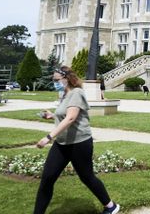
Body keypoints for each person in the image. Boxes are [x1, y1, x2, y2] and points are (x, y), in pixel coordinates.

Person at [34, 66, 120, 214]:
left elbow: (71, 118)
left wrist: (48, 137)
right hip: (62, 143)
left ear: (66, 79)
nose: (54, 83)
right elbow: (65, 116)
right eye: (53, 80)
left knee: (87, 177)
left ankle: (111, 206)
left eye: (56, 80)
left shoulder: (76, 93)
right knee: (47, 178)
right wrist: (53, 116)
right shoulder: (64, 95)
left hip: (79, 143)